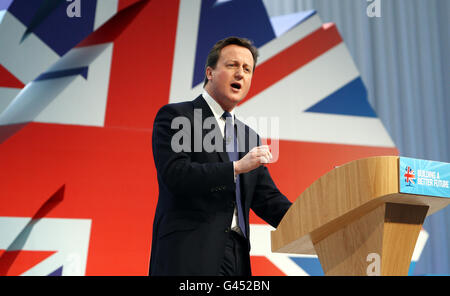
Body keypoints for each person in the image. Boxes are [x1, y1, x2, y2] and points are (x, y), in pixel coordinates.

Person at [149, 36, 292, 276]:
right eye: (232, 65)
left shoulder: (249, 137)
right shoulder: (177, 116)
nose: (240, 74)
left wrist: (319, 222)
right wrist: (235, 167)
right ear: (210, 72)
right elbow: (176, 174)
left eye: (247, 69)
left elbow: (268, 200)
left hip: (237, 257)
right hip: (189, 254)